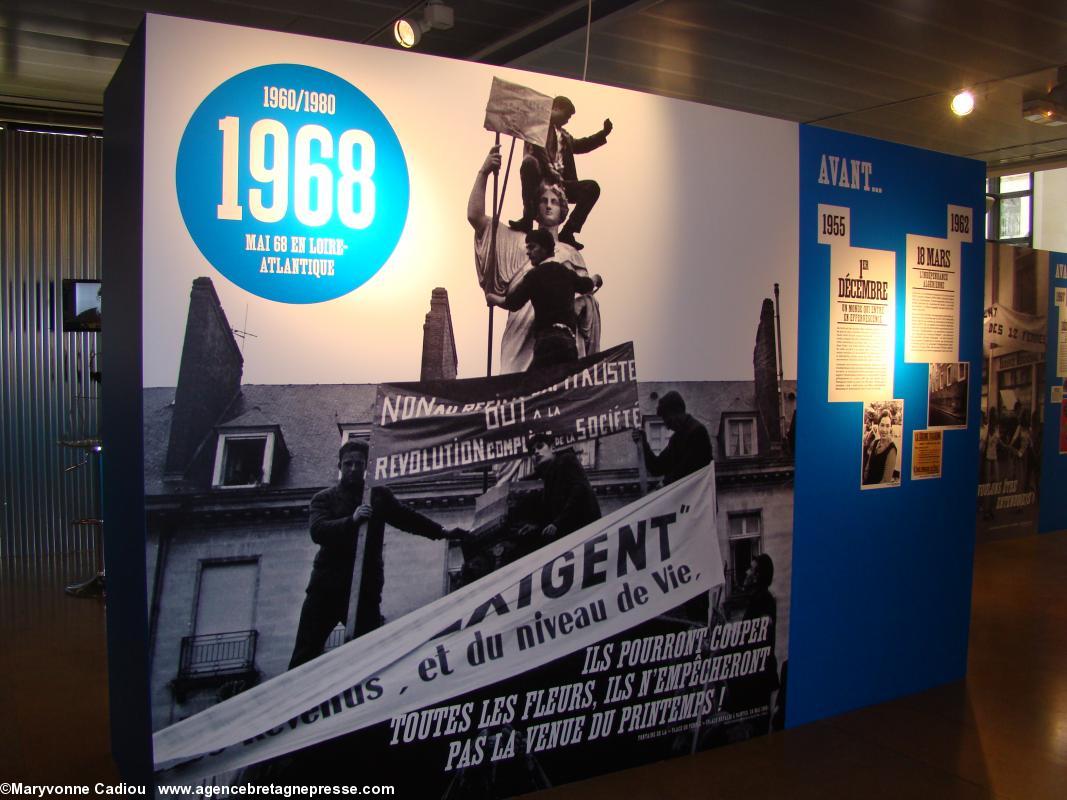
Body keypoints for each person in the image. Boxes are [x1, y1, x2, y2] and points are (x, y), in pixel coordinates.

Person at [289, 440, 467, 668]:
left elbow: (407, 519)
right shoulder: (324, 498)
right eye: (348, 464)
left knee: (369, 657)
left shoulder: (378, 496)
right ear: (340, 466)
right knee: (304, 655)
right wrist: (351, 521)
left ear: (366, 467)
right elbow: (318, 531)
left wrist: (442, 532)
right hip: (326, 588)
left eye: (359, 464)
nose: (353, 469)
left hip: (365, 588)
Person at [469, 146, 600, 373]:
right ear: (534, 207)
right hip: (522, 333)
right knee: (514, 391)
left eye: (555, 201)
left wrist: (585, 304)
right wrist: (484, 172)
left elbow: (584, 294)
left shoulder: (571, 253)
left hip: (561, 337)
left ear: (563, 210)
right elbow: (476, 217)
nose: (549, 205)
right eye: (543, 200)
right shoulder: (517, 239)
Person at [485, 228, 602, 370]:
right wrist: (596, 278)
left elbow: (512, 303)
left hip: (547, 342)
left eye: (532, 247)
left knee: (533, 386)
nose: (528, 253)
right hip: (568, 344)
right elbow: (587, 285)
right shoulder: (566, 274)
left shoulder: (534, 276)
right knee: (564, 386)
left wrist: (492, 298)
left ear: (545, 248)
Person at [508, 96, 613, 251]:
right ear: (556, 108)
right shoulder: (538, 125)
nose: (567, 120)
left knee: (592, 187)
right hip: (541, 177)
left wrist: (603, 133)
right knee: (529, 163)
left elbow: (582, 145)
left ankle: (569, 231)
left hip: (562, 184)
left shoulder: (565, 136)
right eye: (567, 115)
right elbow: (537, 148)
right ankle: (527, 218)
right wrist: (549, 168)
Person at [513, 433, 601, 545]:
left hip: (585, 530)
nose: (535, 452)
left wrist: (557, 523)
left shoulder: (566, 460)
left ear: (553, 448)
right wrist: (538, 525)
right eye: (532, 451)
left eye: (540, 446)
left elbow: (579, 490)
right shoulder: (546, 476)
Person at [632, 390, 713, 486]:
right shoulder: (676, 439)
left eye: (667, 419)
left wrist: (665, 484)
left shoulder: (698, 432)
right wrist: (643, 443)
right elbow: (657, 468)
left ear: (676, 412)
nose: (667, 426)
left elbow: (688, 471)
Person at [862, 409, 898, 485]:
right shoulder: (875, 443)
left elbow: (885, 481)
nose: (884, 430)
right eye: (882, 425)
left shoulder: (892, 449)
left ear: (890, 428)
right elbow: (867, 469)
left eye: (887, 426)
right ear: (878, 426)